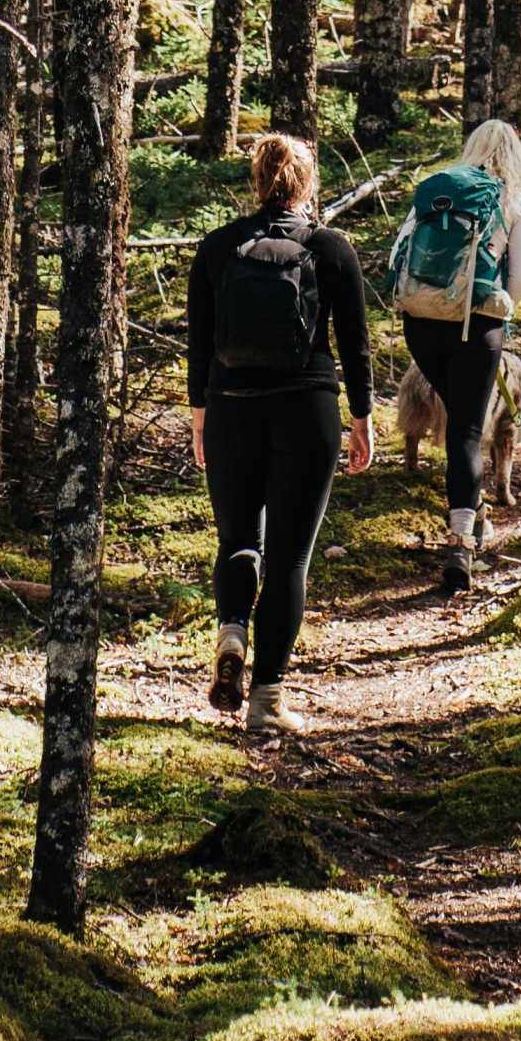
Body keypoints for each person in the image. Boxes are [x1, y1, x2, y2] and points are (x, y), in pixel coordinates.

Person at [186, 127, 374, 734]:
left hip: (231, 408)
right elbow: (355, 344)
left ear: (257, 182)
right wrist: (362, 420)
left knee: (240, 539)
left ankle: (232, 628)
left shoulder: (217, 248)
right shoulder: (331, 248)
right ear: (307, 182)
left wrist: (200, 420)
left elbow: (199, 346)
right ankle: (267, 701)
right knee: (290, 557)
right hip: (307, 410)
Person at [391, 117, 521, 593]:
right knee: (468, 433)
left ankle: (475, 510)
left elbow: (400, 255)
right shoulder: (512, 199)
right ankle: (461, 541)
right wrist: (495, 304)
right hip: (476, 329)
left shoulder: (438, 192)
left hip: (421, 326)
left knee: (456, 414)